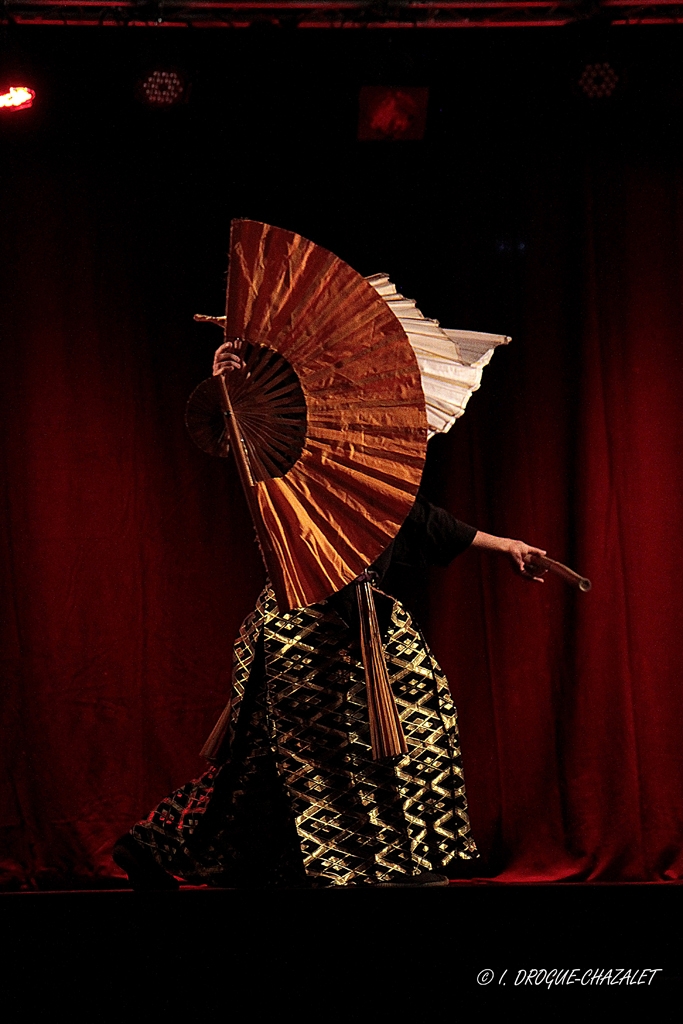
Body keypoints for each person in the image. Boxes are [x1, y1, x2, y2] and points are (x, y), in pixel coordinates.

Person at [113, 342, 546, 890]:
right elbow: (248, 449)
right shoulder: (303, 447)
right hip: (304, 625)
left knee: (318, 750)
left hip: (361, 622)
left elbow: (423, 521)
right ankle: (181, 845)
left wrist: (507, 545)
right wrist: (229, 390)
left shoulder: (374, 460)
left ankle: (373, 860)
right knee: (294, 758)